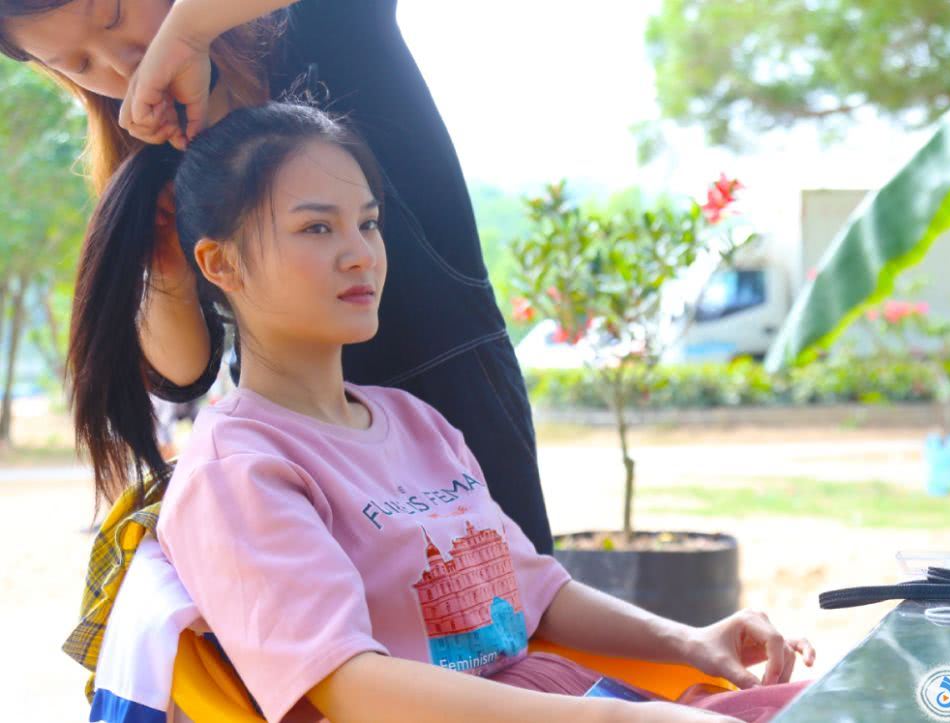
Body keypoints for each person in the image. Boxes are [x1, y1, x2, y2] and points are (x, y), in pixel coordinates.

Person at [68, 101, 814, 723]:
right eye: (317, 228)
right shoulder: (239, 468)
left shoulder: (415, 421)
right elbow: (349, 687)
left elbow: (536, 590)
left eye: (368, 222)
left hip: (560, 697)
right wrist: (622, 719)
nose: (361, 253)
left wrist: (691, 641)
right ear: (220, 263)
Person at [0, 0, 556, 553]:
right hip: (292, 450)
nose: (119, 65)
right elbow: (183, 374)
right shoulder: (151, 146)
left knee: (512, 602)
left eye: (115, 17)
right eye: (78, 63)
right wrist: (166, 265)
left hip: (453, 395)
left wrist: (188, 34)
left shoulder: (315, 22)